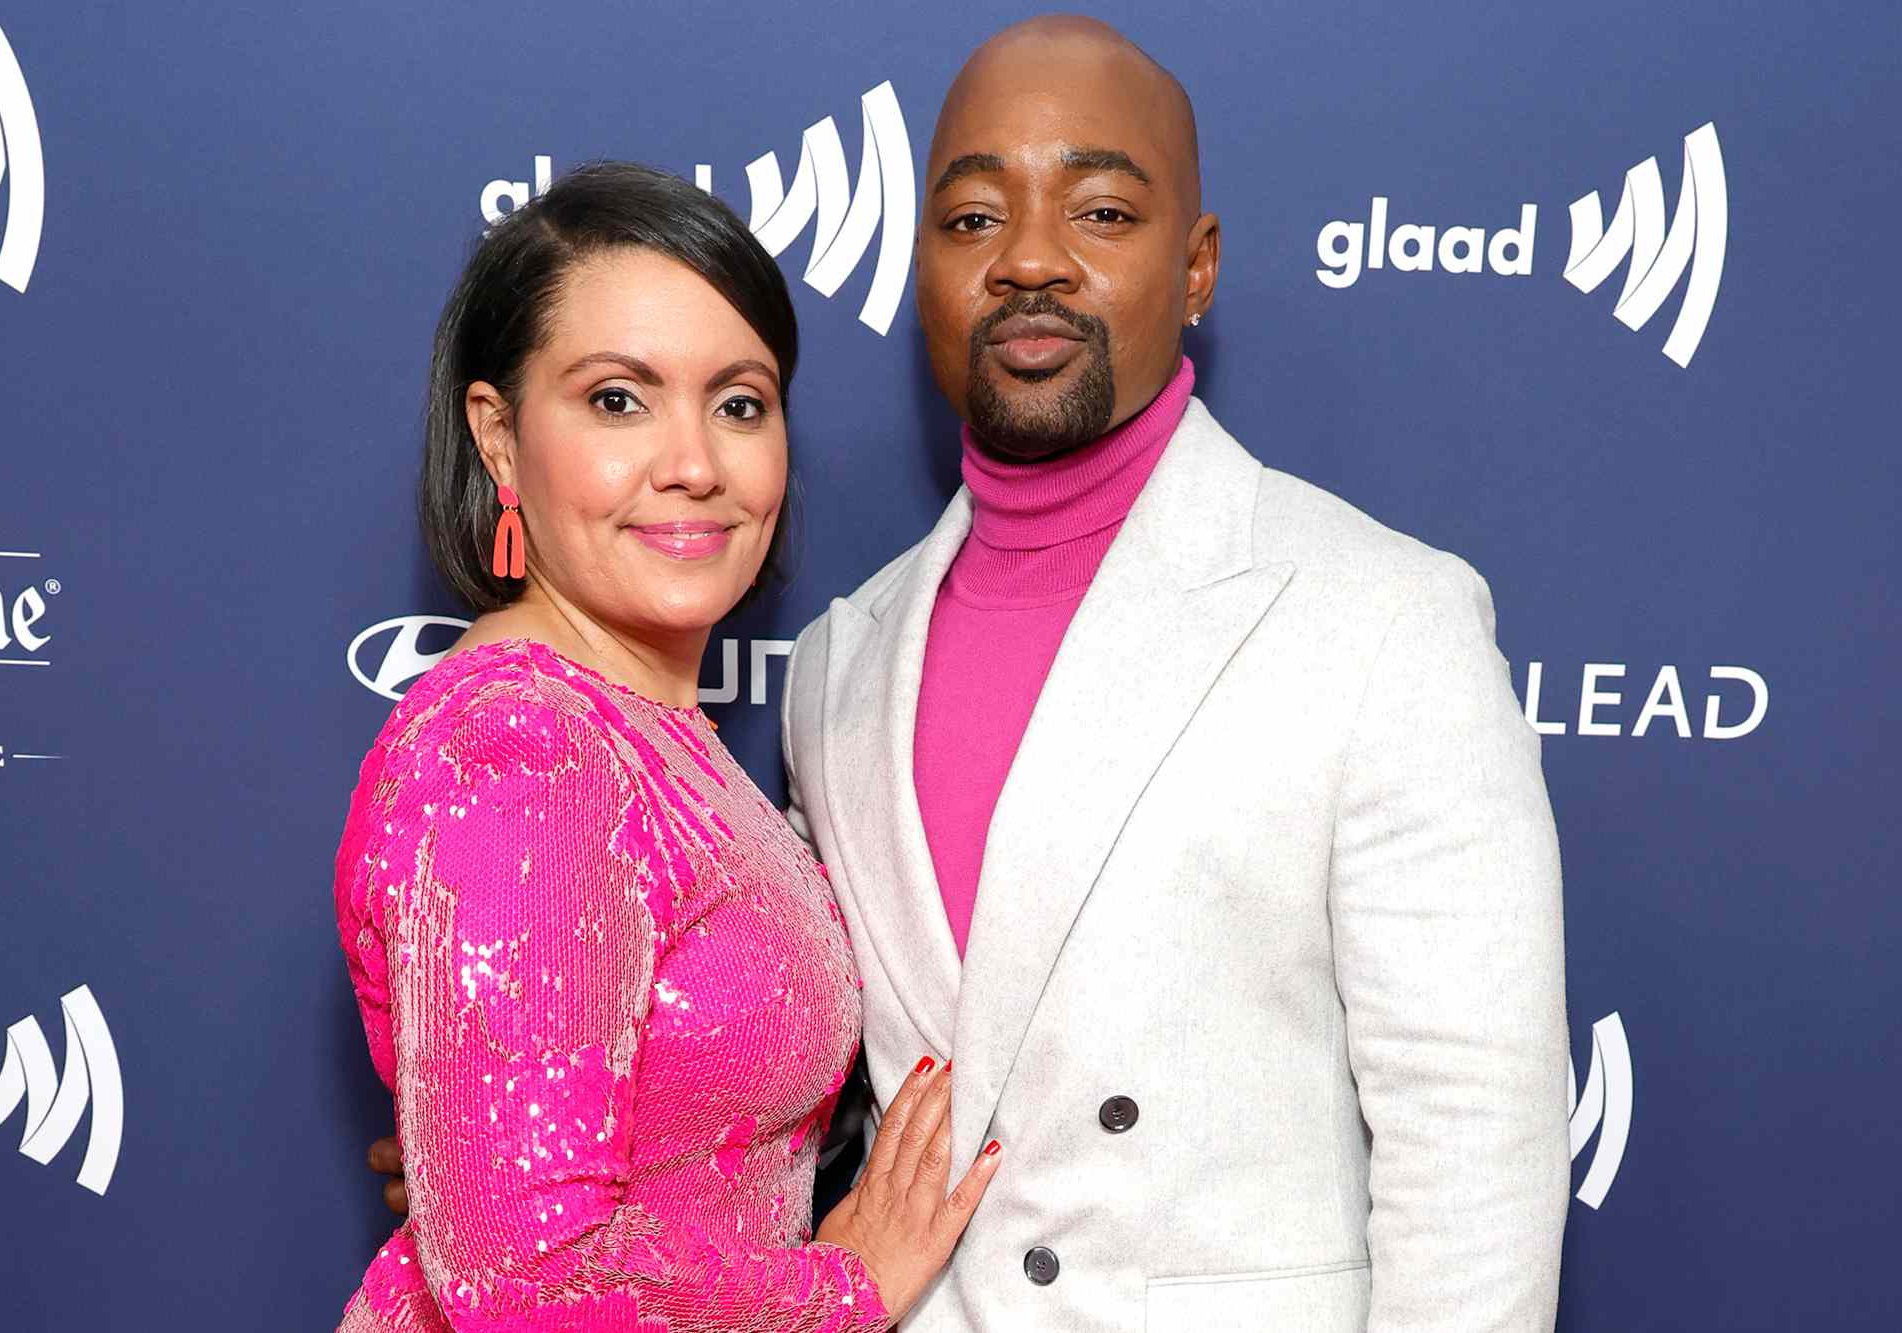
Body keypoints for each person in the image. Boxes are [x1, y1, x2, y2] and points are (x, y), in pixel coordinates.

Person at [776, 16, 1569, 1333]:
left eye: (1099, 209)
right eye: (974, 219)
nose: (1030, 258)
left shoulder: (1382, 616)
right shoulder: (835, 666)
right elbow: (795, 1087)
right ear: (919, 266)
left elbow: (1474, 1142)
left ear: (1195, 265)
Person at [332, 161, 998, 1333]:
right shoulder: (520, 750)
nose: (693, 462)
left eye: (739, 403)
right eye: (617, 400)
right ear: (497, 438)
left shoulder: (653, 734)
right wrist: (843, 1289)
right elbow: (526, 1284)